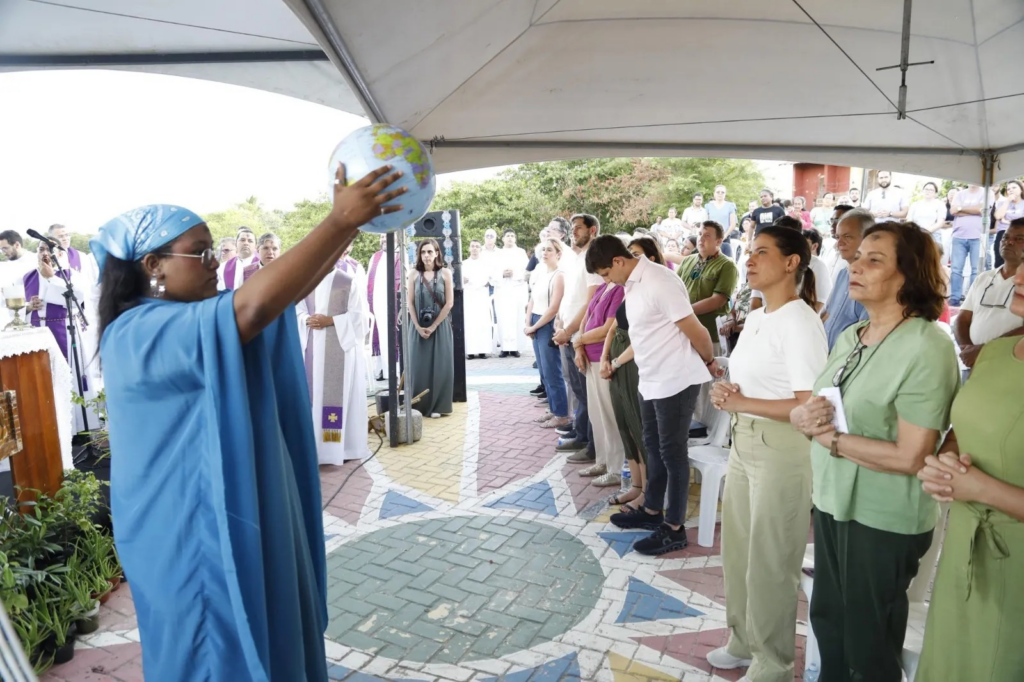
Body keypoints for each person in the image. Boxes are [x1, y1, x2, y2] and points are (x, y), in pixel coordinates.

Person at [92, 163, 406, 681]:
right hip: (187, 535)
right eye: (201, 252)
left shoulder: (183, 316)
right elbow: (253, 310)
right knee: (214, 654)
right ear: (153, 265)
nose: (216, 262)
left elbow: (267, 297)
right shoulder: (137, 334)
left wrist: (349, 226)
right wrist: (337, 220)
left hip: (223, 510)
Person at [789, 222, 959, 682]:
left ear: (909, 275)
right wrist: (802, 418)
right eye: (857, 255)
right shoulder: (853, 337)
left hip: (883, 517)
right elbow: (820, 407)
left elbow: (912, 456)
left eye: (874, 259)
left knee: (869, 641)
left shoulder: (927, 346)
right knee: (829, 621)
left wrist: (830, 440)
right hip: (832, 499)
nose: (855, 265)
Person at [707, 225, 828, 682]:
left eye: (762, 252)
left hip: (783, 447)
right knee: (738, 549)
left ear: (793, 262)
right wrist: (732, 393)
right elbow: (760, 383)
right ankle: (742, 639)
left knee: (773, 559)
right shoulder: (758, 315)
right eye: (750, 251)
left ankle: (773, 662)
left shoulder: (800, 320)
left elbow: (809, 403)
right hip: (746, 438)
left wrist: (741, 402)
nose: (751, 260)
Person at [913, 262, 1024, 682]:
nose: (1019, 277)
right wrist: (946, 462)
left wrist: (981, 488)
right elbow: (966, 428)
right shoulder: (995, 352)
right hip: (964, 549)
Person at [587, 236, 721, 555]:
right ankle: (651, 511)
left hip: (676, 378)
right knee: (653, 447)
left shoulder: (661, 280)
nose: (606, 281)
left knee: (672, 453)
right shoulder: (633, 283)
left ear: (618, 262)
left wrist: (709, 361)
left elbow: (696, 330)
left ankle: (673, 529)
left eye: (606, 274)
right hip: (651, 378)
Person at [601, 238, 662, 509]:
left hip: (631, 363)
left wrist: (614, 362)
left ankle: (648, 491)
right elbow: (613, 327)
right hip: (616, 360)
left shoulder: (655, 287)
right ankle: (636, 486)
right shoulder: (630, 289)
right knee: (624, 425)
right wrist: (605, 358)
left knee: (640, 428)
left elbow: (644, 338)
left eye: (637, 255)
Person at [296, 257, 370, 465]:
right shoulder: (306, 280)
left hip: (339, 348)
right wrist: (305, 319)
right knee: (314, 394)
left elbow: (359, 318)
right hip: (312, 346)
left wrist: (330, 321)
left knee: (333, 397)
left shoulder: (346, 281)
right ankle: (315, 447)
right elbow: (297, 308)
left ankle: (335, 449)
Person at [23, 240, 100, 432]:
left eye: (49, 250)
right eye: (41, 249)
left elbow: (78, 299)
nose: (44, 253)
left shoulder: (71, 275)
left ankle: (77, 428)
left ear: (60, 254)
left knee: (68, 378)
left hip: (64, 330)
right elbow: (9, 304)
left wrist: (52, 279)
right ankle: (49, 428)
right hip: (36, 332)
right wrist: (28, 307)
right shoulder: (26, 277)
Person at [553, 214, 603, 462]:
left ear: (592, 230)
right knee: (577, 390)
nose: (573, 232)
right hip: (568, 332)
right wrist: (560, 321)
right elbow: (571, 297)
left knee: (587, 394)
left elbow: (591, 302)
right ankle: (582, 433)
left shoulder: (593, 259)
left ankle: (592, 445)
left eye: (578, 228)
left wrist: (571, 329)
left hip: (580, 335)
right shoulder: (577, 259)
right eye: (572, 228)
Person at [574, 274, 626, 487]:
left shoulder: (620, 289)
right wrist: (578, 346)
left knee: (609, 415)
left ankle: (615, 468)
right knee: (596, 414)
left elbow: (607, 330)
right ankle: (602, 461)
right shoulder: (603, 287)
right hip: (588, 357)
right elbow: (585, 320)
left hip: (604, 359)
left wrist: (578, 340)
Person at [954, 218, 1024, 368]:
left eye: (1019, 239)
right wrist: (968, 349)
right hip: (974, 363)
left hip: (1011, 366)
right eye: (1006, 237)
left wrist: (984, 351)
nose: (1009, 242)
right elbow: (963, 318)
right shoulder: (984, 278)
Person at [407, 239, 454, 418]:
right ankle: (419, 405)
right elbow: (409, 303)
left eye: (430, 252)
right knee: (418, 365)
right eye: (423, 252)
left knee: (440, 365)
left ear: (436, 253)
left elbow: (449, 303)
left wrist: (434, 325)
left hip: (440, 326)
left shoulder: (446, 273)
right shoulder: (413, 274)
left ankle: (438, 405)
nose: (426, 255)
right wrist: (417, 326)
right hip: (417, 326)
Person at [676, 221, 739, 352]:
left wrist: (683, 312)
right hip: (684, 331)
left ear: (719, 241)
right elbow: (675, 289)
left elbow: (717, 300)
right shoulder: (688, 260)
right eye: (700, 234)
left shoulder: (727, 265)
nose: (701, 239)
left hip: (711, 334)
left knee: (711, 370)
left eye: (707, 235)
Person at [525, 239, 568, 427]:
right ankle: (553, 409)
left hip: (546, 323)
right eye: (543, 250)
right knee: (543, 371)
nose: (545, 253)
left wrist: (534, 327)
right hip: (535, 321)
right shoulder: (542, 273)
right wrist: (528, 322)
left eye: (549, 250)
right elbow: (532, 300)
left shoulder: (559, 275)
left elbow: (553, 307)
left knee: (552, 371)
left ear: (558, 254)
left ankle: (561, 414)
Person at [822, 208, 874, 350]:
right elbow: (827, 314)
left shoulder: (874, 282)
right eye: (838, 237)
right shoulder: (842, 275)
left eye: (848, 237)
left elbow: (868, 332)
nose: (840, 243)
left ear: (867, 238)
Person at [949, 184, 992, 306]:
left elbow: (982, 210)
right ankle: (955, 297)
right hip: (959, 236)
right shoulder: (959, 193)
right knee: (956, 269)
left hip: (978, 236)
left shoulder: (987, 193)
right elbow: (952, 210)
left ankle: (972, 299)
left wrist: (961, 208)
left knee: (976, 269)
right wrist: (972, 210)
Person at [367, 233, 400, 380]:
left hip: (395, 304)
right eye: (381, 237)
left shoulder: (402, 255)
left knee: (394, 335)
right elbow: (368, 280)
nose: (384, 239)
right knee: (379, 335)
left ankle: (397, 370)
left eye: (386, 236)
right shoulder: (375, 257)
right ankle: (381, 369)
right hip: (377, 304)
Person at [492, 229, 529, 358]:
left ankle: (515, 347)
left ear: (515, 238)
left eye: (512, 236)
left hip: (516, 289)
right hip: (502, 290)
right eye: (507, 236)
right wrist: (502, 274)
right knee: (503, 317)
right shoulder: (498, 253)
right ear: (503, 239)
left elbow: (526, 270)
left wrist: (514, 274)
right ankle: (504, 347)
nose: (510, 238)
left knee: (517, 317)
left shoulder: (521, 252)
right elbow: (491, 272)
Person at [462, 239, 495, 359]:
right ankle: (470, 351)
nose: (475, 248)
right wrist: (465, 280)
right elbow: (461, 279)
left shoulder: (485, 263)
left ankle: (483, 350)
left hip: (481, 295)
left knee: (483, 322)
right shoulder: (464, 264)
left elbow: (489, 279)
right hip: (469, 296)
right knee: (470, 323)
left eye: (477, 246)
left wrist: (477, 281)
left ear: (480, 249)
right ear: (469, 248)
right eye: (472, 246)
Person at [993, 179, 1024, 269]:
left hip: (1020, 235)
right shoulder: (1003, 203)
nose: (1011, 190)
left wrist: (1007, 220)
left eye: (1014, 187)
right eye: (1008, 189)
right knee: (1000, 258)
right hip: (1003, 233)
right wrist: (1007, 201)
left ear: (1021, 189)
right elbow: (998, 216)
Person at [906, 181, 948, 246]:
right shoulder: (915, 204)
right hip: (916, 234)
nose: (928, 191)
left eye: (931, 190)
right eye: (926, 189)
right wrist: (916, 231)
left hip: (934, 236)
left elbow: (940, 223)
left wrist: (926, 231)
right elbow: (909, 219)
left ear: (935, 193)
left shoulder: (940, 204)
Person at [803, 228, 833, 314]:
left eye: (804, 243)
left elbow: (821, 300)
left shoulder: (819, 266)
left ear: (815, 246)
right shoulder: (799, 262)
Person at [707, 185, 739, 258]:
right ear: (714, 193)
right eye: (718, 192)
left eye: (722, 192)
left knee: (726, 259)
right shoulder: (708, 206)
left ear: (725, 194)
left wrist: (724, 235)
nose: (720, 194)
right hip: (711, 237)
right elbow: (706, 223)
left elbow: (732, 224)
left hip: (725, 237)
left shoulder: (730, 206)